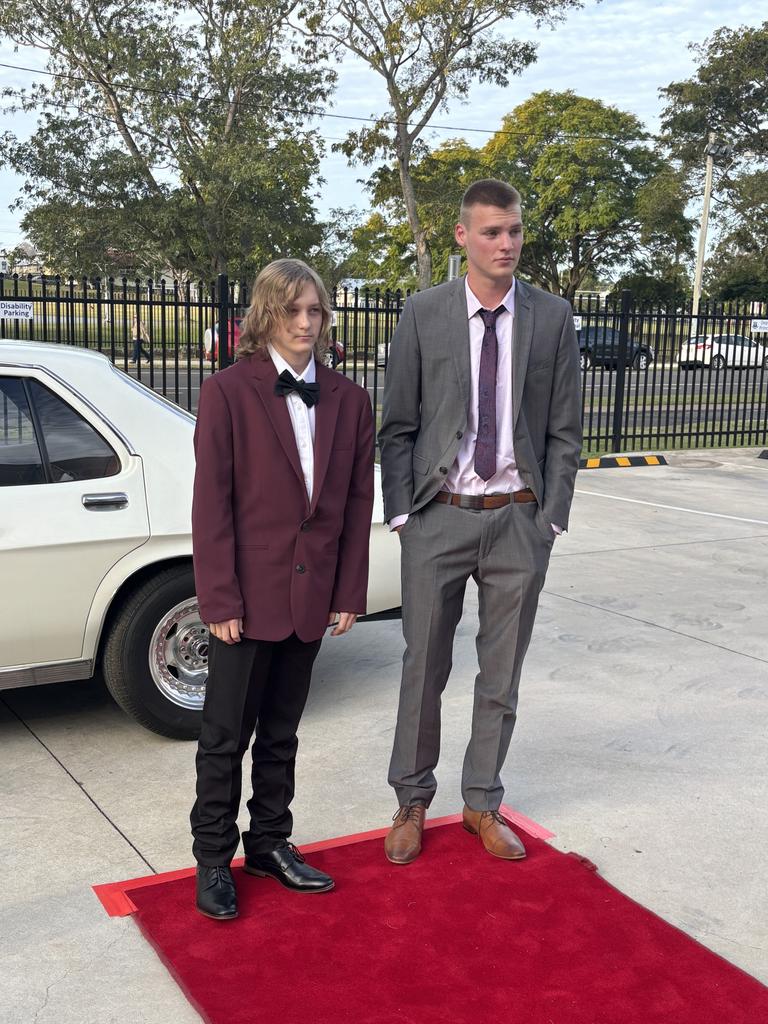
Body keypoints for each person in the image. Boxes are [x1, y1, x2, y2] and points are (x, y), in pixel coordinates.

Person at [379, 179, 582, 865]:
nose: (507, 243)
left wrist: (549, 516)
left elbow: (564, 430)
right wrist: (405, 512)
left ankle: (482, 802)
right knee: (423, 667)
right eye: (493, 232)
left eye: (515, 231)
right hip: (440, 518)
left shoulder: (551, 318)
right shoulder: (423, 312)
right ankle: (411, 798)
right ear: (462, 237)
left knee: (501, 674)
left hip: (518, 521)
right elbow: (398, 425)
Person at [190, 258, 374, 919]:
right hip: (245, 599)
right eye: (292, 310)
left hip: (312, 598)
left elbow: (357, 501)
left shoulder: (350, 400)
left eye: (315, 311)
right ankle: (213, 858)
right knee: (223, 737)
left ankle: (270, 842)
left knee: (282, 734)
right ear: (266, 315)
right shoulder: (228, 392)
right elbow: (211, 504)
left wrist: (348, 589)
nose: (305, 323)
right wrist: (219, 599)